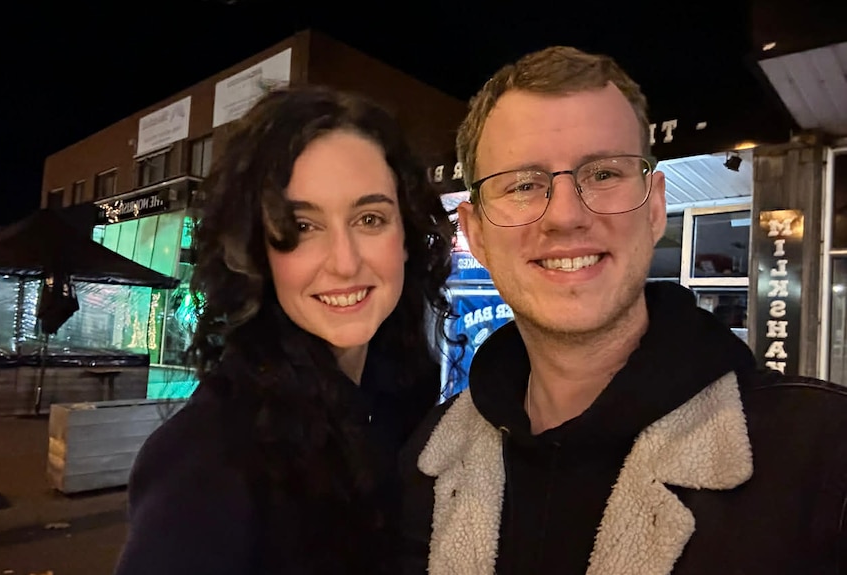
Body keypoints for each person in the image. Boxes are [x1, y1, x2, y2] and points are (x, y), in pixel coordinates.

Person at [399, 46, 847, 574]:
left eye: (604, 174)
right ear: (474, 233)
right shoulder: (427, 461)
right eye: (523, 185)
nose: (565, 215)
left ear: (655, 207)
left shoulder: (823, 457)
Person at [114, 84, 456, 575]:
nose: (345, 262)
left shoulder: (413, 405)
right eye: (302, 227)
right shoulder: (207, 462)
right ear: (257, 251)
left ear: (405, 236)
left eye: (370, 218)